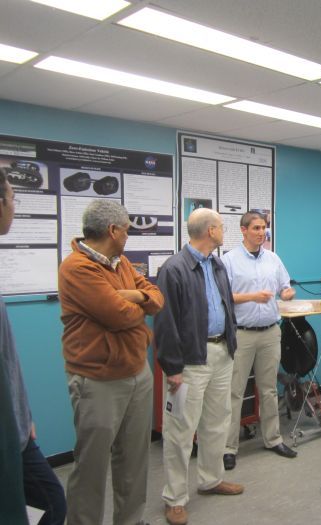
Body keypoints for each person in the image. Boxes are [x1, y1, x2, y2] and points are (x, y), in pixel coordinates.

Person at [58, 199, 164, 525]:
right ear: (113, 230)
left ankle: (130, 520)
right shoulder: (77, 268)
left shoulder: (122, 263)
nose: (128, 235)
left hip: (136, 371)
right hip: (98, 379)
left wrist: (137, 296)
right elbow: (118, 316)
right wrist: (138, 305)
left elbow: (156, 298)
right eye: (127, 230)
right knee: (91, 466)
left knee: (134, 459)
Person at [155, 208, 242, 525]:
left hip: (221, 353)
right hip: (190, 361)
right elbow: (164, 323)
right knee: (180, 431)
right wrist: (172, 368)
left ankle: (210, 479)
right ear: (210, 231)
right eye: (220, 226)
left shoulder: (217, 264)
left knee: (217, 422)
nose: (223, 231)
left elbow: (226, 305)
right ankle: (175, 498)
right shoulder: (174, 269)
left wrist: (231, 343)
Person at [1, 168, 65, 525]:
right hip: (8, 431)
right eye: (13, 198)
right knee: (49, 503)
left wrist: (22, 416)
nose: (14, 205)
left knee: (49, 502)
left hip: (15, 425)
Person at [221, 210, 297, 471]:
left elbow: (285, 286)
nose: (261, 232)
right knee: (235, 392)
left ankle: (273, 439)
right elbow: (223, 296)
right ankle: (228, 448)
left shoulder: (273, 259)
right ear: (243, 230)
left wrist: (287, 292)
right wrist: (252, 297)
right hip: (242, 333)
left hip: (270, 332)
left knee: (269, 389)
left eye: (264, 228)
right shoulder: (229, 260)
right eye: (256, 228)